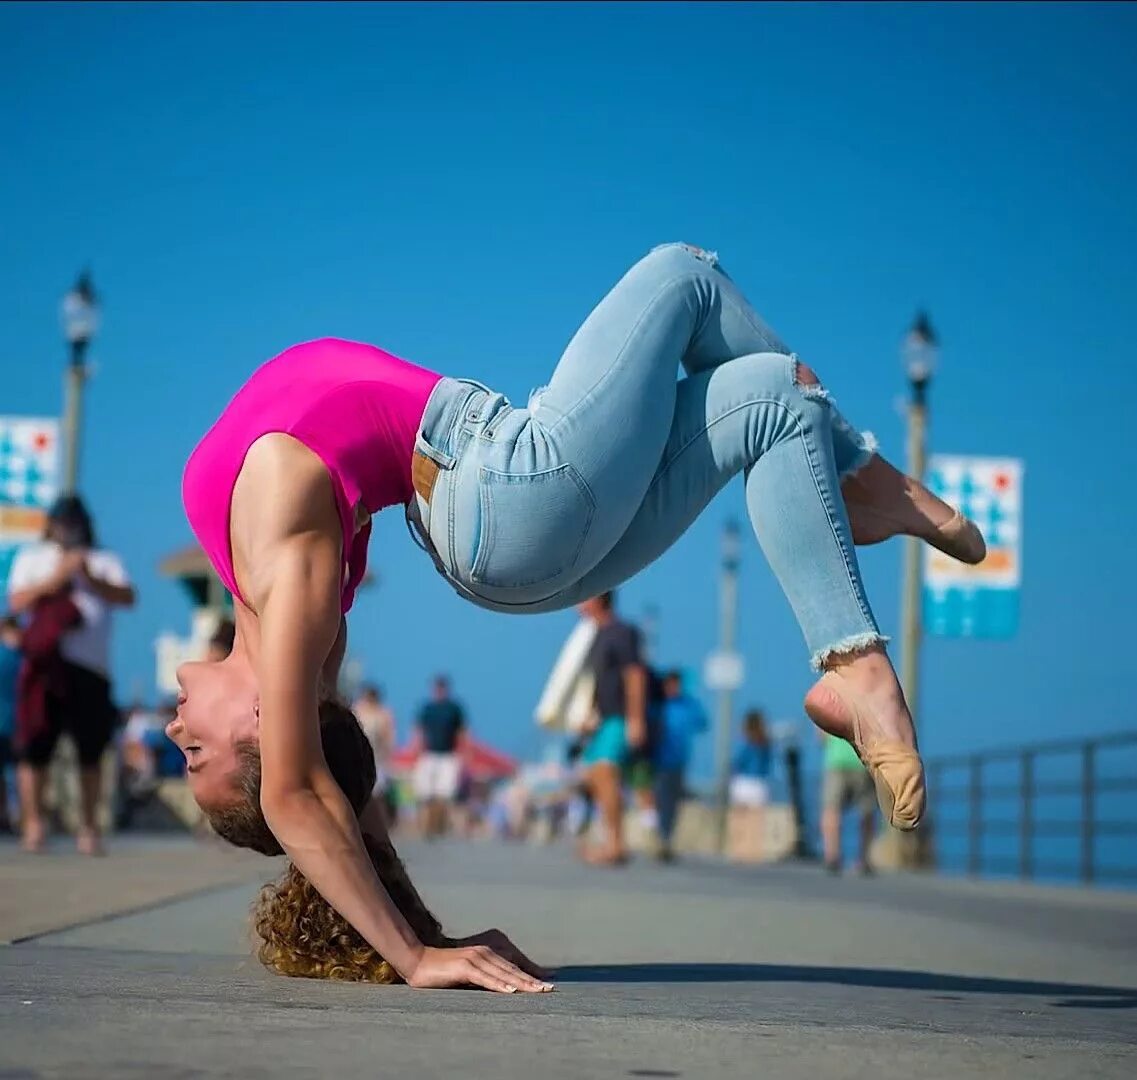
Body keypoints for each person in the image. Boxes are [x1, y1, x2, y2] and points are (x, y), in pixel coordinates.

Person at [170, 241, 983, 991]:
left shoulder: (294, 626)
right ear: (259, 726)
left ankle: (853, 665)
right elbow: (300, 791)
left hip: (516, 532)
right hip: (505, 488)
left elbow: (343, 799)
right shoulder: (286, 583)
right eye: (197, 753)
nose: (173, 733)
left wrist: (416, 922)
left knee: (775, 402)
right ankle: (866, 484)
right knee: (684, 274)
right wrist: (415, 956)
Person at [8, 496, 134, 855]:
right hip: (43, 667)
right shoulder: (32, 558)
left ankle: (89, 827)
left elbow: (127, 597)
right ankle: (34, 824)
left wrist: (89, 577)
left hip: (91, 668)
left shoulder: (104, 559)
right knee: (34, 749)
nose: (68, 527)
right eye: (63, 521)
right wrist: (57, 578)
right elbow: (16, 602)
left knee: (90, 751)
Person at [575, 592, 649, 866]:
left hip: (621, 716)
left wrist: (636, 718)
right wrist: (590, 713)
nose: (576, 605)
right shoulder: (594, 635)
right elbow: (597, 681)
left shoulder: (622, 632)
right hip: (603, 719)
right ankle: (609, 840)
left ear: (598, 599)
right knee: (594, 777)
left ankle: (616, 846)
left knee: (605, 773)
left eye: (582, 598)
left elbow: (635, 674)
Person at [652, 669, 708, 862]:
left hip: (679, 760)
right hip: (658, 760)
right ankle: (660, 838)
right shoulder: (658, 704)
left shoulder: (688, 705)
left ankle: (666, 839)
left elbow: (702, 723)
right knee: (660, 800)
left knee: (673, 802)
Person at [413, 676, 465, 839]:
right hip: (429, 754)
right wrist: (417, 749)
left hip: (448, 754)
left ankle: (438, 826)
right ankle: (426, 826)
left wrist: (464, 752)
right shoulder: (428, 708)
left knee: (444, 793)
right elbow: (419, 730)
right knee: (426, 793)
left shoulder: (454, 709)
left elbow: (462, 732)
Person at [821, 732, 878, 875]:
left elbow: (821, 733)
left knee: (832, 809)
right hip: (864, 759)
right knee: (867, 811)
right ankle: (864, 858)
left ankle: (832, 856)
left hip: (837, 759)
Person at [729, 709, 773, 858]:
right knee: (756, 822)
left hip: (742, 783)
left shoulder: (744, 742)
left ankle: (738, 850)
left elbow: (737, 762)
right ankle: (753, 851)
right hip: (758, 783)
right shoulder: (765, 742)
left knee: (739, 820)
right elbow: (767, 764)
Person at [353, 683, 397, 822]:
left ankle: (381, 820)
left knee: (378, 794)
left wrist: (388, 754)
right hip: (360, 758)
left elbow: (389, 737)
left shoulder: (383, 714)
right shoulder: (358, 710)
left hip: (378, 759)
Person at [0, 616, 22, 833]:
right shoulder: (21, 658)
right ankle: (14, 816)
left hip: (10, 724)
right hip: (15, 725)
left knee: (10, 774)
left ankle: (6, 815)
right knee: (14, 774)